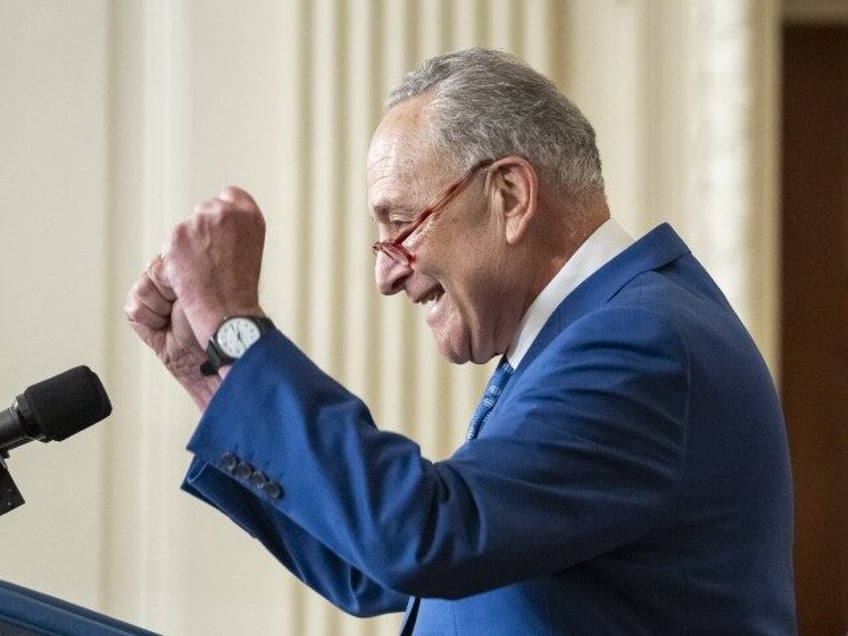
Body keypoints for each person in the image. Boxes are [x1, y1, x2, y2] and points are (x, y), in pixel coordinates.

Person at [124, 48, 796, 634]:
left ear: (509, 194)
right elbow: (380, 571)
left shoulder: (642, 341)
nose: (386, 272)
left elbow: (427, 537)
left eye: (401, 223)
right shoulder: (592, 333)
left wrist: (238, 331)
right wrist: (209, 369)